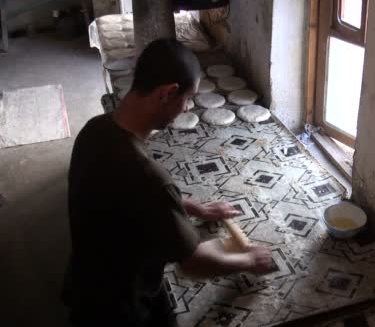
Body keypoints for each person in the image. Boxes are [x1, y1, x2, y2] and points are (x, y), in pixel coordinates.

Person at [62, 39, 274, 327]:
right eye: (187, 99)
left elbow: (124, 198)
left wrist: (190, 207)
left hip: (85, 282)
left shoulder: (94, 130)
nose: (186, 108)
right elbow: (193, 262)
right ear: (166, 94)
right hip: (121, 307)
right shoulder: (147, 176)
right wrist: (250, 260)